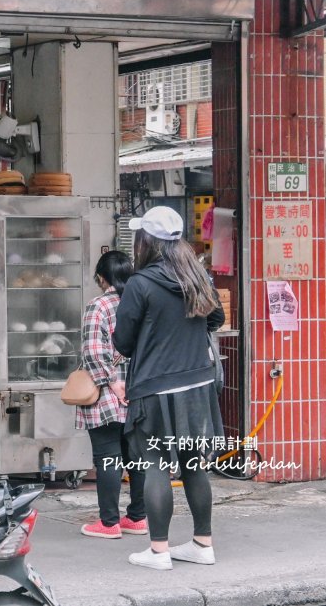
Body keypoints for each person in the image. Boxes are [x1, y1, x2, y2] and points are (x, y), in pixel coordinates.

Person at [112, 206, 225, 571]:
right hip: (197, 384)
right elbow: (216, 319)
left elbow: (123, 342)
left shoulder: (139, 284)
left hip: (156, 388)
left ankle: (159, 551)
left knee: (156, 464)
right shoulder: (197, 278)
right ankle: (202, 544)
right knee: (194, 465)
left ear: (146, 240)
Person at [77, 251, 147, 539]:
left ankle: (109, 523)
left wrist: (111, 382)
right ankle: (138, 518)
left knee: (108, 457)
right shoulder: (142, 303)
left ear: (101, 277)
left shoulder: (99, 305)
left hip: (107, 393)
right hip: (139, 391)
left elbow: (93, 353)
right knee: (137, 456)